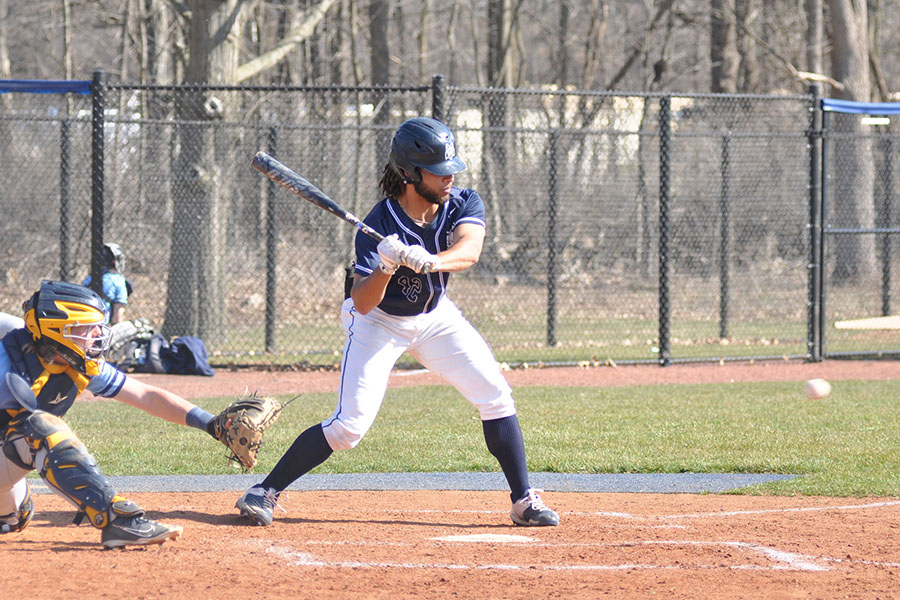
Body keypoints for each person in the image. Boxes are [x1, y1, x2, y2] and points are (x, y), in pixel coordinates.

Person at [236, 116, 559, 528]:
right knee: (349, 427)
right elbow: (363, 302)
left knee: (495, 395)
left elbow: (470, 250)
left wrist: (432, 262)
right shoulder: (379, 224)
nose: (449, 179)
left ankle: (523, 501)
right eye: (438, 173)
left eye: (451, 170)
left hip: (435, 317)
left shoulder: (462, 202)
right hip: (379, 325)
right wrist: (387, 265)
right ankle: (264, 490)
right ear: (409, 173)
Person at [0, 280, 236, 548]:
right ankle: (118, 519)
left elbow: (146, 396)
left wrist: (210, 423)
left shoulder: (75, 364)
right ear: (57, 331)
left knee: (16, 515)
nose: (96, 334)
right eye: (86, 328)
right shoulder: (6, 364)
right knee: (42, 428)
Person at [82, 242, 129, 324]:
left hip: (83, 324)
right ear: (115, 261)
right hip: (103, 328)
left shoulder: (90, 278)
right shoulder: (118, 280)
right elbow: (117, 317)